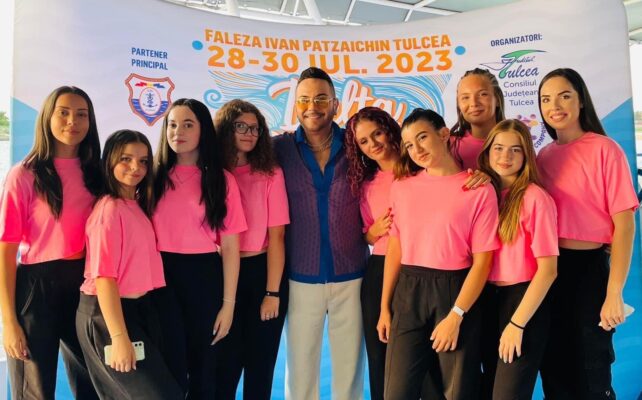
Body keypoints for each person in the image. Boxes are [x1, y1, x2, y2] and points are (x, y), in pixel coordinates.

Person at [377, 108, 499, 400]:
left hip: (455, 291)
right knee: (396, 393)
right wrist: (384, 307)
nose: (417, 149)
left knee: (456, 392)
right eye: (409, 144)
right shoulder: (402, 187)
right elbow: (395, 248)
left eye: (422, 137)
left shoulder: (479, 190)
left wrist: (456, 315)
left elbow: (483, 263)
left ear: (444, 135)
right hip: (408, 292)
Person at [536, 68, 638, 400]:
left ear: (581, 101)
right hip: (548, 272)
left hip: (588, 273)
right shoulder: (543, 156)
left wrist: (613, 292)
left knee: (591, 371)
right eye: (546, 99)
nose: (554, 106)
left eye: (564, 96)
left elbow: (625, 225)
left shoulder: (605, 150)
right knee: (554, 368)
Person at [273, 67, 369, 400]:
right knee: (300, 372)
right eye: (303, 99)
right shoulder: (279, 149)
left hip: (352, 275)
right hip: (300, 276)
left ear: (336, 104)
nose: (311, 106)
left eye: (320, 99)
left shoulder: (357, 146)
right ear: (295, 105)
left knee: (350, 372)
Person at [0, 86, 100, 400]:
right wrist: (9, 322)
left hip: (85, 285)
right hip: (36, 288)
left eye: (81, 114)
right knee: (35, 390)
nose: (73, 121)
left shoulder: (97, 174)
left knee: (93, 383)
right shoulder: (24, 174)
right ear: (47, 117)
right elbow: (6, 250)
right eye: (64, 113)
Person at [75, 129, 182, 400]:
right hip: (108, 314)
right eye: (126, 159)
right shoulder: (109, 210)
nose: (136, 167)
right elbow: (104, 278)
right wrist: (119, 336)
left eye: (143, 161)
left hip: (137, 310)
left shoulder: (134, 205)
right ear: (110, 160)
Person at [152, 98, 247, 398]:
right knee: (168, 369)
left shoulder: (221, 180)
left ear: (203, 130)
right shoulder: (151, 177)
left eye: (188, 124)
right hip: (159, 279)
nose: (177, 132)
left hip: (204, 278)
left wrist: (228, 306)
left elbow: (230, 248)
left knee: (204, 369)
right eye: (172, 124)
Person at [213, 99, 290, 400]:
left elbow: (277, 236)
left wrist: (272, 292)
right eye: (241, 126)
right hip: (220, 275)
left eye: (255, 128)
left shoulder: (270, 173)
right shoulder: (211, 174)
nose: (249, 133)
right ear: (225, 128)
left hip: (261, 274)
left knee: (260, 370)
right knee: (223, 370)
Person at [477, 119, 558, 399]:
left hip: (523, 302)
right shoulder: (483, 195)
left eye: (516, 149)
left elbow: (548, 270)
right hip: (487, 300)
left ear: (526, 156)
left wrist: (517, 323)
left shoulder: (536, 198)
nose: (505, 156)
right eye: (498, 148)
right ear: (487, 151)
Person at [344, 106, 400, 400]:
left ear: (389, 130)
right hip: (378, 270)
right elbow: (366, 235)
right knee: (379, 357)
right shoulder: (367, 185)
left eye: (377, 133)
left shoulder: (420, 169)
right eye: (364, 141)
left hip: (419, 269)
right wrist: (375, 230)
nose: (373, 144)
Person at [450, 68, 505, 171]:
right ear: (459, 104)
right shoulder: (449, 145)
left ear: (497, 99)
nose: (474, 103)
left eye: (482, 94)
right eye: (465, 97)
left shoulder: (517, 139)